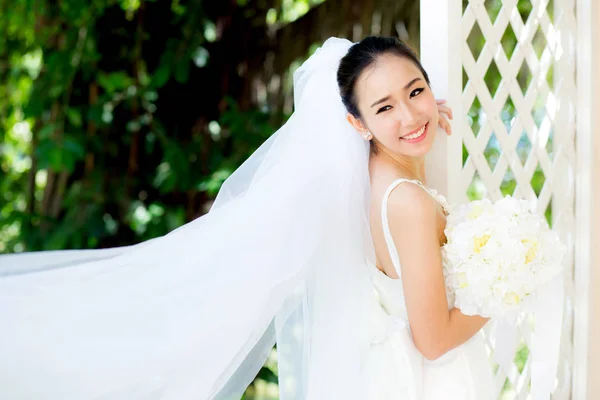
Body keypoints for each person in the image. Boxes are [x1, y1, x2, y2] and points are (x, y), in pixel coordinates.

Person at [0, 36, 494, 399]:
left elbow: (406, 135)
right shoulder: (406, 200)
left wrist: (416, 121)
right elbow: (432, 340)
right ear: (357, 125)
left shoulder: (367, 178)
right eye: (384, 107)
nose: (409, 116)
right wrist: (502, 287)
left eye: (416, 92)